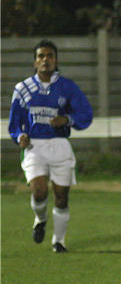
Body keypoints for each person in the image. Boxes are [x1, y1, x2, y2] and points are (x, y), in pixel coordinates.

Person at [8, 39, 93, 252]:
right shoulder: (22, 88)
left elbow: (86, 114)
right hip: (34, 148)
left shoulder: (67, 87)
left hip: (60, 145)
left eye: (50, 56)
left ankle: (59, 241)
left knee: (62, 196)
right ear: (35, 62)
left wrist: (67, 120)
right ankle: (40, 219)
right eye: (41, 56)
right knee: (39, 191)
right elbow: (14, 124)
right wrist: (20, 136)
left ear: (56, 61)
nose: (45, 60)